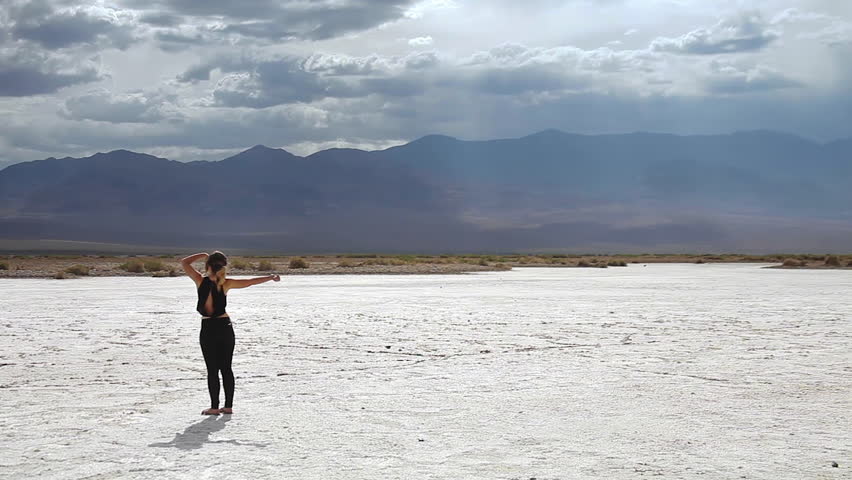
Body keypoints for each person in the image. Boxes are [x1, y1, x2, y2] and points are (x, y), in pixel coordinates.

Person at [180, 251, 280, 415]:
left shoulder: (200, 280)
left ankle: (214, 407)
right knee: (226, 368)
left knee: (212, 369)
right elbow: (249, 282)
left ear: (208, 266)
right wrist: (270, 277)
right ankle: (228, 406)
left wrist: (203, 254)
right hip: (225, 327)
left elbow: (184, 262)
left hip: (208, 328)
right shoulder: (225, 283)